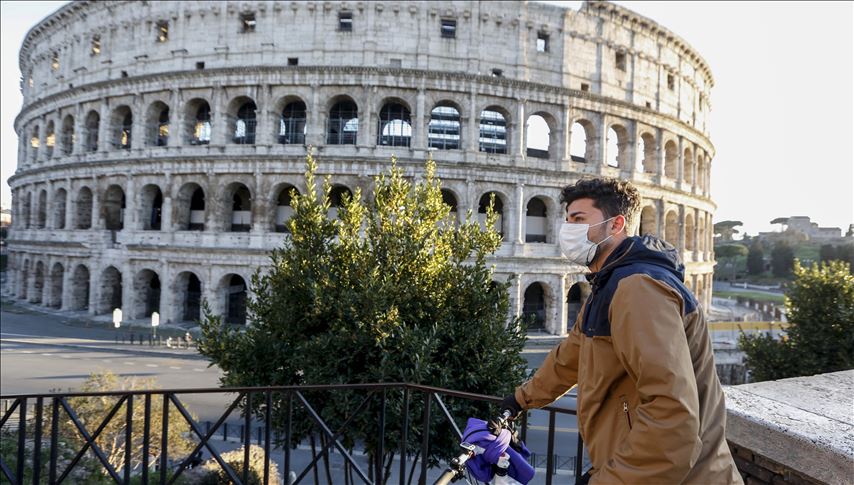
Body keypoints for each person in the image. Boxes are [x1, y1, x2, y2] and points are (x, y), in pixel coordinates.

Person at [499, 178, 742, 484]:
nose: (567, 230)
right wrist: (520, 399)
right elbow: (570, 358)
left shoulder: (638, 288)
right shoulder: (610, 283)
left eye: (578, 220)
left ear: (616, 225)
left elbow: (672, 411)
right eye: (567, 220)